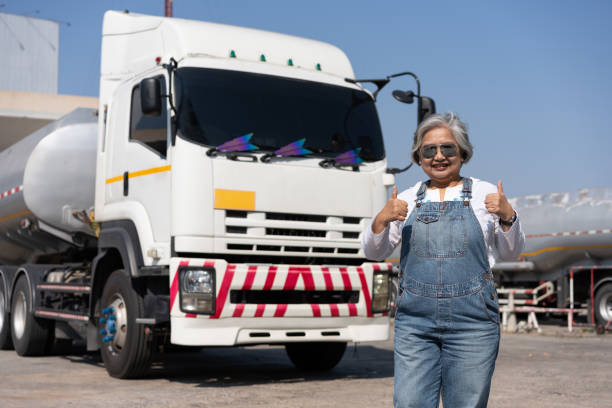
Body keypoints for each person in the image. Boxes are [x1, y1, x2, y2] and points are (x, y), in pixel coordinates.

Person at [361, 112, 524, 408]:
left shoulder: (485, 194)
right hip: (415, 324)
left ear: (462, 152)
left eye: (447, 148)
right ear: (418, 157)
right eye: (429, 150)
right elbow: (373, 252)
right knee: (409, 403)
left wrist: (508, 216)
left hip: (473, 322)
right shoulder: (407, 199)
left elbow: (511, 252)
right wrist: (380, 220)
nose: (439, 156)